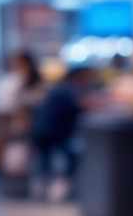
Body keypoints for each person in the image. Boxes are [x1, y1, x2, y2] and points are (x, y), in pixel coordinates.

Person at [31, 67, 94, 200]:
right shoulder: (68, 90)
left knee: (45, 161)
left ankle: (42, 189)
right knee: (69, 157)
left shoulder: (60, 88)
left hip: (43, 129)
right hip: (53, 131)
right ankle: (57, 189)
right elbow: (82, 105)